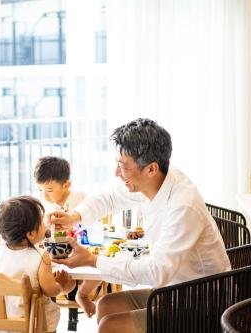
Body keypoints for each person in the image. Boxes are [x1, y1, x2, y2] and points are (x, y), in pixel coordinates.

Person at [49, 118, 231, 333]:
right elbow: (109, 199)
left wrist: (92, 259)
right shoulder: (157, 180)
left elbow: (156, 272)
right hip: (174, 290)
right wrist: (74, 217)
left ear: (151, 169)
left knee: (111, 325)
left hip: (203, 302)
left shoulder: (183, 206)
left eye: (122, 166)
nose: (117, 173)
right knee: (106, 305)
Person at [0, 196, 76, 333]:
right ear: (30, 234)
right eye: (41, 222)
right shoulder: (40, 256)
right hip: (29, 323)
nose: (45, 225)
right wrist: (62, 286)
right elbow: (49, 290)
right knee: (48, 315)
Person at [34, 156, 101, 317]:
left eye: (49, 190)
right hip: (54, 254)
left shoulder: (82, 199)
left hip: (81, 249)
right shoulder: (43, 206)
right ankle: (50, 312)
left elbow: (94, 224)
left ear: (66, 185)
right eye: (40, 190)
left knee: (101, 266)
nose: (44, 195)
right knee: (45, 273)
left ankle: (82, 294)